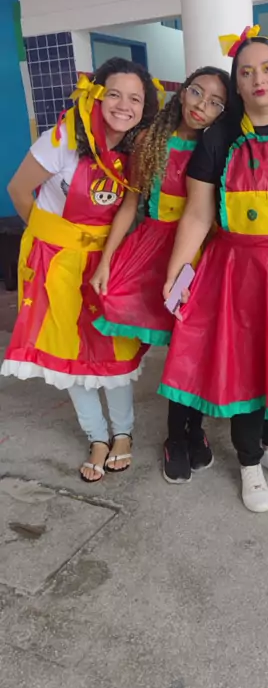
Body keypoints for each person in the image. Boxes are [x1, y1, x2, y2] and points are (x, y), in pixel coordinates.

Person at [159, 26, 268, 512]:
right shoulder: (219, 138)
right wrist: (177, 271)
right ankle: (249, 462)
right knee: (248, 367)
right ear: (237, 83)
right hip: (238, 273)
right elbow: (198, 214)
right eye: (247, 71)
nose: (258, 79)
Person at [1, 58, 161, 483]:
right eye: (115, 94)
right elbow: (18, 190)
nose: (124, 106)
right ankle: (97, 437)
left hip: (109, 258)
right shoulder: (63, 139)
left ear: (145, 107)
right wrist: (55, 239)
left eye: (135, 99)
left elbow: (129, 205)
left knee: (114, 347)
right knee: (69, 352)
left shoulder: (140, 145)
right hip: (58, 261)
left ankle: (123, 432)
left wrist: (105, 257)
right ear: (96, 96)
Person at [90, 66, 230, 483]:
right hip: (151, 250)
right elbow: (130, 205)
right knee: (162, 343)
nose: (201, 106)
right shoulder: (150, 141)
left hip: (199, 255)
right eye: (196, 93)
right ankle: (172, 436)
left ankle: (193, 431)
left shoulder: (220, 148)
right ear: (182, 93)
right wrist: (105, 261)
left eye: (215, 102)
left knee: (193, 348)